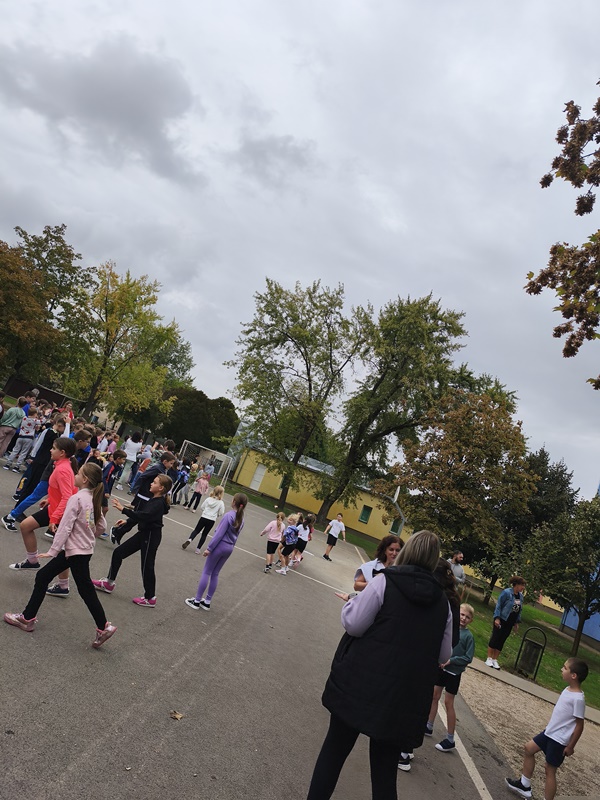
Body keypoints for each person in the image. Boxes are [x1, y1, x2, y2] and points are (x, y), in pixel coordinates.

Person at [306, 530, 453, 800]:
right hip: (402, 696)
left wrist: (351, 605)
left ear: (407, 551)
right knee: (385, 771)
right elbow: (444, 653)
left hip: (361, 682)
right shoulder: (442, 603)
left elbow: (355, 624)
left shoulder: (385, 581)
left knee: (334, 751)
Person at [3, 463, 117, 648]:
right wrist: (88, 536)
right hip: (81, 550)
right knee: (46, 577)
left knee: (83, 589)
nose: (75, 475)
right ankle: (28, 617)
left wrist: (53, 550)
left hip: (76, 552)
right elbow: (101, 525)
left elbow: (65, 527)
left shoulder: (77, 498)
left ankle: (103, 626)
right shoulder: (92, 498)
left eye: (78, 474)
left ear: (85, 479)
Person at [505, 657, 588, 800]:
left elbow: (580, 725)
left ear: (573, 675)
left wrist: (571, 746)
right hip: (549, 733)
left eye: (565, 668)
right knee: (528, 748)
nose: (561, 669)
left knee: (549, 770)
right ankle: (524, 785)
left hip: (559, 740)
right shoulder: (567, 689)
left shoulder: (578, 699)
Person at [92, 474, 172, 607]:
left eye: (154, 482)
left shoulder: (158, 503)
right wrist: (127, 521)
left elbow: (144, 515)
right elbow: (143, 514)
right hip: (144, 534)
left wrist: (123, 510)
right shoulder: (154, 500)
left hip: (151, 537)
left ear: (161, 488)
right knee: (118, 553)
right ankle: (109, 583)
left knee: (147, 566)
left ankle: (150, 597)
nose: (151, 483)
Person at [9, 437, 77, 572]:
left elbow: (67, 496)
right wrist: (50, 499)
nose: (50, 450)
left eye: (53, 448)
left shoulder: (62, 469)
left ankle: (63, 583)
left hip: (61, 513)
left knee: (63, 552)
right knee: (26, 526)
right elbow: (63, 490)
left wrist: (54, 518)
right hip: (55, 508)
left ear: (62, 452)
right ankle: (32, 561)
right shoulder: (61, 465)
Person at [184, 493, 248, 611]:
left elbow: (219, 534)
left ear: (234, 502)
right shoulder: (241, 519)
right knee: (215, 573)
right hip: (229, 547)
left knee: (206, 572)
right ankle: (207, 602)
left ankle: (197, 600)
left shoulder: (228, 516)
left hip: (220, 546)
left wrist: (209, 548)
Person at [426, 603, 475, 752]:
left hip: (453, 673)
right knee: (434, 696)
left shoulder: (469, 637)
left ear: (471, 620)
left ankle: (450, 738)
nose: (463, 618)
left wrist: (452, 661)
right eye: (462, 614)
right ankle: (429, 725)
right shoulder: (451, 630)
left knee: (448, 703)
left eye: (467, 617)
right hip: (442, 669)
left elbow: (468, 657)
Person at [109, 451, 176, 544]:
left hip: (148, 497)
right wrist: (135, 489)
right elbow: (143, 476)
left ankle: (119, 532)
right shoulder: (157, 468)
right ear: (165, 461)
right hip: (144, 496)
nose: (171, 465)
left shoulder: (162, 469)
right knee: (137, 516)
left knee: (138, 517)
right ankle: (117, 531)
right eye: (171, 463)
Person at [486, 576, 526, 670]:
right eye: (522, 585)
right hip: (502, 619)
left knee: (502, 640)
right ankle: (489, 658)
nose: (523, 588)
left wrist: (516, 622)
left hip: (510, 621)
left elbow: (519, 610)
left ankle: (495, 659)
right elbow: (499, 605)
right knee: (495, 637)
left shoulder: (520, 597)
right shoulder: (507, 593)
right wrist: (497, 618)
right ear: (516, 584)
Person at [182, 486, 225, 552]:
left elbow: (202, 507)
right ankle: (198, 549)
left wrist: (205, 511)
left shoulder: (208, 499)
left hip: (204, 517)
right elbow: (221, 512)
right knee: (204, 534)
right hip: (211, 520)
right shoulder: (220, 503)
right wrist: (217, 514)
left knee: (196, 530)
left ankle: (190, 539)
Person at [3, 406, 38, 471]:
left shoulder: (24, 418)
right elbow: (42, 421)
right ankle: (17, 466)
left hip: (21, 436)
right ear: (34, 414)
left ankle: (8, 464)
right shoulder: (35, 420)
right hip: (29, 438)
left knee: (15, 450)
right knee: (23, 453)